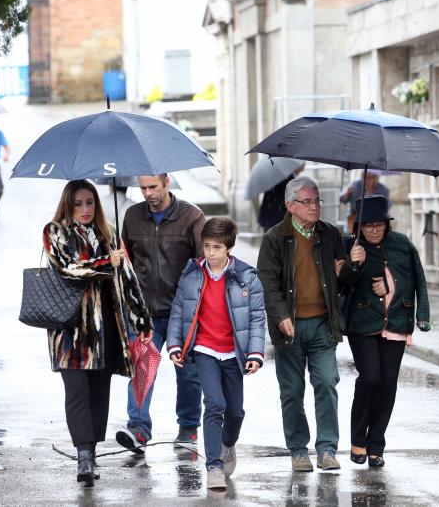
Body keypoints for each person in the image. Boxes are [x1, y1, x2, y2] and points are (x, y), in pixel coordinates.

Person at [43, 180, 153, 487]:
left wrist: (142, 320)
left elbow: (128, 279)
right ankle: (84, 459)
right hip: (72, 333)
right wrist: (107, 262)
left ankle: (90, 451)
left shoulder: (108, 233)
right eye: (78, 204)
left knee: (98, 394)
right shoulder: (55, 232)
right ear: (68, 205)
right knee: (77, 392)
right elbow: (69, 269)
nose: (85, 209)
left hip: (106, 330)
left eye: (89, 202)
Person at [257, 175, 365, 472]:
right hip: (289, 327)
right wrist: (280, 316)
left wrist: (353, 265)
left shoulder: (329, 235)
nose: (315, 207)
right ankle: (297, 450)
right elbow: (267, 283)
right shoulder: (275, 239)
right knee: (291, 391)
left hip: (322, 324)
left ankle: (328, 449)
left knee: (327, 382)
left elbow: (342, 282)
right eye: (307, 202)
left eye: (317, 201)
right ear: (291, 205)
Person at [167, 217, 266, 490]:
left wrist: (255, 352)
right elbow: (179, 311)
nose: (210, 253)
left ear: (229, 248)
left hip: (233, 354)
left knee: (235, 412)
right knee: (214, 405)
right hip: (204, 350)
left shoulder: (247, 277)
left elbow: (257, 319)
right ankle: (213, 466)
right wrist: (175, 345)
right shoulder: (191, 274)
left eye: (217, 247)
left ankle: (228, 444)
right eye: (207, 246)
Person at [116, 174, 206, 453]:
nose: (148, 193)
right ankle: (139, 429)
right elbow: (126, 262)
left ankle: (189, 428)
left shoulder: (192, 216)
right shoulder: (131, 216)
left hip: (183, 311)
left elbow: (204, 262)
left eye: (153, 186)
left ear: (166, 182)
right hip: (143, 311)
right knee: (142, 371)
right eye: (143, 188)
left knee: (189, 373)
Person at [344, 195, 431, 468]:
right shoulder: (351, 245)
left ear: (386, 224)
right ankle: (358, 438)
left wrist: (422, 315)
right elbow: (340, 286)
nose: (373, 230)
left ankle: (376, 445)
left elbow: (418, 280)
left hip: (396, 321)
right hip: (362, 323)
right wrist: (353, 264)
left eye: (378, 224)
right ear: (359, 226)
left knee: (388, 383)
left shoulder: (403, 244)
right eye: (367, 225)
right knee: (370, 378)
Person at [258, 164, 305, 232]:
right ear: (296, 167)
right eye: (300, 170)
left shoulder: (276, 176)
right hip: (277, 217)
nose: (300, 173)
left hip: (270, 216)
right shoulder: (288, 178)